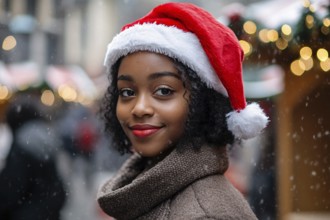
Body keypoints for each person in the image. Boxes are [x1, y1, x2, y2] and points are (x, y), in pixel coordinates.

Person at [97, 2, 268, 219]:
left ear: (203, 102)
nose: (139, 108)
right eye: (127, 92)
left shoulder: (205, 214)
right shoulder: (152, 192)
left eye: (163, 90)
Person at [0, 92, 66, 220]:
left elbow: (10, 190)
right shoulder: (48, 138)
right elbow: (60, 188)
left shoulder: (22, 145)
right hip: (50, 213)